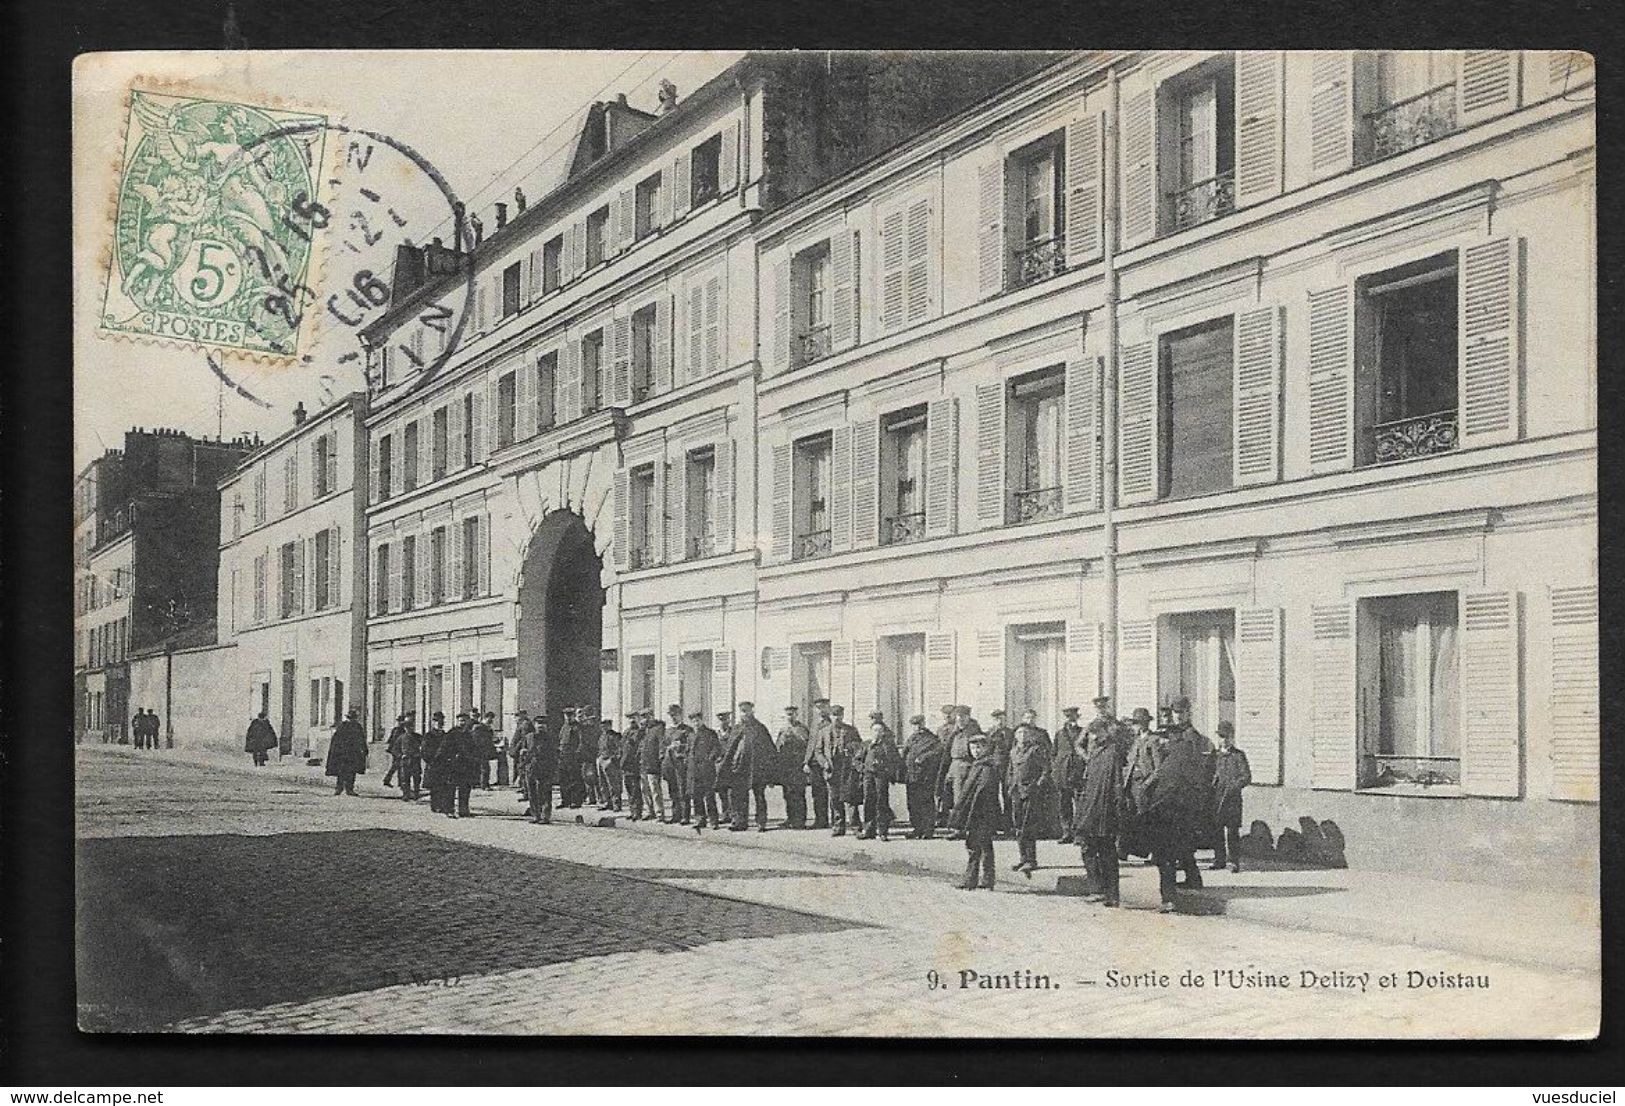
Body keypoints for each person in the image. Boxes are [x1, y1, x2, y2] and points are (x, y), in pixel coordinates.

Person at [1141, 697, 1209, 912]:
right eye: (1175, 712)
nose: (1178, 716)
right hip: (1167, 803)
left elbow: (1199, 773)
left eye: (1181, 712)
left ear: (1189, 712)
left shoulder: (1194, 741)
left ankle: (1171, 896)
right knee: (1174, 849)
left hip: (1182, 803)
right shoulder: (1171, 742)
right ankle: (1180, 888)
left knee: (1173, 850)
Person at [1073, 716, 1126, 907]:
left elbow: (1117, 782)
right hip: (1091, 808)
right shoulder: (1094, 753)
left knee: (1107, 853)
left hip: (1105, 809)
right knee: (1087, 848)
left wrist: (1118, 807)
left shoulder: (1112, 752)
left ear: (1105, 732)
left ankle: (1111, 894)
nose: (1093, 737)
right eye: (1092, 734)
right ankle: (1097, 888)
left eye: (1096, 733)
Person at [948, 731, 1001, 891]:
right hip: (980, 813)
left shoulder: (986, 767)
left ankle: (972, 880)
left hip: (981, 813)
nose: (976, 751)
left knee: (974, 845)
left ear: (985, 748)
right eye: (973, 748)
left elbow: (981, 792)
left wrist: (966, 812)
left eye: (979, 747)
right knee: (984, 846)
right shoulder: (979, 765)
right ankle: (986, 880)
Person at [1008, 713, 1060, 874]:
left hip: (1030, 792)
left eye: (1025, 733)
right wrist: (1010, 785)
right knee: (1018, 826)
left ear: (1030, 736)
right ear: (1016, 736)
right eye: (1019, 733)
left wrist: (1036, 786)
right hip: (1017, 792)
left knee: (1028, 826)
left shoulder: (1035, 750)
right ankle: (1023, 858)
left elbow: (1046, 770)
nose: (1022, 736)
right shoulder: (1013, 752)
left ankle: (1031, 859)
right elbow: (1010, 770)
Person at [1210, 721, 1252, 872]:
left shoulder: (1238, 755)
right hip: (1217, 797)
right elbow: (1209, 774)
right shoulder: (1215, 756)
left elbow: (1246, 776)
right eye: (1221, 737)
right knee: (1217, 830)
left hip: (1233, 799)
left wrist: (1234, 786)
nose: (1224, 740)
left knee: (1232, 831)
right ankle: (1219, 860)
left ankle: (1234, 861)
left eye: (1227, 737)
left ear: (1231, 737)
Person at [1119, 707, 1160, 861]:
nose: (1137, 726)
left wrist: (1146, 784)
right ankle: (1128, 850)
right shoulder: (1135, 741)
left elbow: (1158, 769)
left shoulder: (1153, 741)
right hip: (1131, 784)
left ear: (1146, 723)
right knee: (1130, 817)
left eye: (1140, 722)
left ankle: (1155, 853)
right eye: (1136, 723)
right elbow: (1129, 761)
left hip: (1144, 786)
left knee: (1147, 819)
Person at [729, 701, 776, 832]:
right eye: (742, 711)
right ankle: (739, 821)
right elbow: (730, 749)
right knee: (739, 795)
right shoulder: (737, 728)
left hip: (757, 768)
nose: (744, 713)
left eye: (747, 711)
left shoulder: (760, 728)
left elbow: (769, 749)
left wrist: (769, 771)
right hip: (740, 767)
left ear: (752, 711)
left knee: (759, 795)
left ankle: (761, 822)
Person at [857, 713, 900, 841]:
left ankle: (883, 831)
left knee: (882, 802)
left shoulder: (888, 746)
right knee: (868, 801)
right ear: (871, 732)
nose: (877, 733)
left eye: (879, 731)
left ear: (883, 732)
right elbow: (857, 759)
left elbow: (895, 760)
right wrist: (862, 769)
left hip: (881, 777)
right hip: (868, 776)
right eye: (875, 730)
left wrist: (888, 772)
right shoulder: (866, 745)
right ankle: (869, 830)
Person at [901, 714, 944, 839]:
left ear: (923, 723)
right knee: (912, 803)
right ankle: (917, 828)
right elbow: (905, 753)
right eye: (914, 725)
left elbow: (938, 752)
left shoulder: (931, 738)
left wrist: (924, 757)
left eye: (919, 724)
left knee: (925, 802)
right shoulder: (911, 738)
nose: (917, 727)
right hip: (912, 776)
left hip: (925, 776)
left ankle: (928, 830)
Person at [687, 710, 722, 828]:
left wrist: (710, 758)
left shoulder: (710, 733)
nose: (696, 723)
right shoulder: (690, 735)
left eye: (697, 720)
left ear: (702, 720)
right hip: (693, 769)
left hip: (706, 769)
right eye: (693, 721)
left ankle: (713, 820)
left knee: (709, 795)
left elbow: (717, 748)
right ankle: (700, 819)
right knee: (696, 796)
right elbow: (688, 750)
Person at [776, 706, 810, 830]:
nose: (790, 717)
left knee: (799, 793)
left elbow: (807, 746)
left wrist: (806, 763)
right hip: (786, 766)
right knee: (787, 793)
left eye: (792, 714)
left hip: (798, 766)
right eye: (788, 714)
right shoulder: (783, 729)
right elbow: (778, 747)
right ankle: (790, 818)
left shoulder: (802, 729)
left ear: (797, 714)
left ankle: (800, 820)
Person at [944, 704, 981, 816]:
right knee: (950, 795)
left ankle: (960, 827)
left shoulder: (972, 732)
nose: (959, 720)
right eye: (957, 717)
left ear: (968, 718)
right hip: (953, 766)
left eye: (963, 717)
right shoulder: (955, 732)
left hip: (965, 766)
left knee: (960, 796)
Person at [1053, 706, 1083, 844]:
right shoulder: (1060, 734)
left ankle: (1079, 834)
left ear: (1077, 717)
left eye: (1074, 717)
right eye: (1069, 717)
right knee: (1064, 803)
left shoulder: (1082, 732)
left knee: (1079, 803)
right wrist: (1056, 771)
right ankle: (1066, 832)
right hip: (1063, 772)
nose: (1071, 720)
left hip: (1078, 771)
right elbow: (1054, 753)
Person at [524, 712, 559, 824]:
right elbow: (521, 750)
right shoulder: (529, 737)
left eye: (543, 724)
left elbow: (555, 754)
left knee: (545, 793)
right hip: (531, 768)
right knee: (532, 792)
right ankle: (535, 815)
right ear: (534, 724)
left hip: (545, 768)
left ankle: (545, 816)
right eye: (538, 723)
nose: (541, 726)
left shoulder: (550, 738)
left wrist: (553, 768)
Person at [804, 699, 833, 830]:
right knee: (817, 793)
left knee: (832, 793)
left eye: (823, 707)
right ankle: (820, 820)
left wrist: (827, 762)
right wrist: (806, 761)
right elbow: (810, 744)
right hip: (814, 763)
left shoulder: (831, 723)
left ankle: (835, 820)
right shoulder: (814, 724)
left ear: (828, 708)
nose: (821, 710)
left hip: (827, 763)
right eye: (818, 708)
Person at [985, 709, 1016, 832]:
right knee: (992, 794)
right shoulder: (990, 733)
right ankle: (994, 823)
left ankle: (1007, 824)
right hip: (994, 766)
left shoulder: (1011, 733)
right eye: (997, 719)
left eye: (1002, 719)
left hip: (1008, 766)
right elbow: (987, 749)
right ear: (993, 720)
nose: (1000, 721)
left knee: (1007, 794)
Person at [326, 708, 369, 797]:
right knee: (345, 772)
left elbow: (361, 740)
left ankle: (345, 789)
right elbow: (336, 741)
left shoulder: (353, 727)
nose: (352, 720)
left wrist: (364, 750)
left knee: (348, 772)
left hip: (349, 754)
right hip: (346, 754)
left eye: (353, 718)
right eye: (351, 718)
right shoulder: (346, 727)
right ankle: (342, 789)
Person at [662, 705, 693, 824]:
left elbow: (691, 745)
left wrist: (680, 746)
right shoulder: (668, 731)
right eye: (671, 715)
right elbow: (663, 745)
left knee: (683, 790)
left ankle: (685, 816)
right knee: (673, 790)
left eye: (675, 715)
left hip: (681, 764)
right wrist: (666, 750)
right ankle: (676, 815)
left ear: (681, 714)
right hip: (670, 764)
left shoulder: (687, 730)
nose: (673, 717)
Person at [639, 708, 667, 822]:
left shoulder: (658, 729)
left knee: (655, 790)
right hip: (643, 763)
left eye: (646, 716)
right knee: (644, 789)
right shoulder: (645, 731)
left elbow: (661, 744)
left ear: (651, 716)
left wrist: (661, 759)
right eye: (643, 717)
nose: (644, 719)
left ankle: (659, 813)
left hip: (653, 764)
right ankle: (649, 811)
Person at [934, 703, 960, 824]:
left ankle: (956, 818)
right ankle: (942, 816)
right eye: (945, 715)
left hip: (954, 761)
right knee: (942, 789)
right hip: (942, 762)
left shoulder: (958, 728)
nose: (947, 718)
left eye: (949, 715)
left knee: (957, 790)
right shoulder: (940, 729)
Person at [422, 711, 450, 814]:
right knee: (434, 786)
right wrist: (431, 760)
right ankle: (435, 805)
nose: (439, 724)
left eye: (441, 722)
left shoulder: (445, 735)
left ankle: (442, 805)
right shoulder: (429, 736)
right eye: (437, 722)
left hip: (444, 764)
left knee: (443, 785)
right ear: (433, 723)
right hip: (433, 764)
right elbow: (424, 751)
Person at [713, 710, 738, 823]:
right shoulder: (715, 734)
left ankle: (733, 815)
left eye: (726, 720)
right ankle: (725, 814)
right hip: (719, 766)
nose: (724, 722)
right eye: (721, 720)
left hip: (730, 765)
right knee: (722, 791)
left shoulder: (734, 732)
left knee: (731, 792)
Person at [556, 708, 584, 809]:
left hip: (572, 756)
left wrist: (577, 754)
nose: (568, 717)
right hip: (563, 755)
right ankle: (565, 800)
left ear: (573, 715)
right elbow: (560, 740)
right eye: (566, 715)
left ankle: (575, 801)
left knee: (574, 779)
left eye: (570, 715)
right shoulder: (564, 727)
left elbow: (581, 742)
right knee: (563, 779)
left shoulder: (577, 727)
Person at [620, 712, 645, 820]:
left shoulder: (640, 732)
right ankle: (632, 810)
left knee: (635, 789)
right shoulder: (626, 732)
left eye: (633, 718)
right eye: (630, 718)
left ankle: (637, 811)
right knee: (629, 788)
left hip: (634, 764)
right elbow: (622, 746)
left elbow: (637, 746)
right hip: (626, 764)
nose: (631, 720)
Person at [596, 716, 624, 812]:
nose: (604, 727)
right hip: (601, 760)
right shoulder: (602, 736)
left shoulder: (615, 736)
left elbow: (619, 749)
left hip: (610, 761)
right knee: (603, 784)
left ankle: (616, 804)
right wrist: (599, 758)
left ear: (610, 726)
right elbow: (600, 748)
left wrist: (613, 759)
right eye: (602, 726)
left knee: (613, 784)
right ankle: (607, 802)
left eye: (606, 725)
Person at [397, 712, 423, 800]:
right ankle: (406, 794)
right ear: (405, 728)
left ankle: (416, 793)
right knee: (405, 778)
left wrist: (420, 753)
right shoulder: (401, 737)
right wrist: (401, 755)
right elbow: (395, 749)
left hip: (415, 760)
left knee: (416, 778)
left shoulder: (418, 737)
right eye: (407, 727)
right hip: (405, 760)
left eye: (411, 727)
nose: (409, 729)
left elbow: (424, 746)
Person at [579, 709, 601, 807]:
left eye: (592, 720)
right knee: (586, 777)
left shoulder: (597, 730)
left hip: (593, 755)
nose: (590, 721)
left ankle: (599, 797)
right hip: (586, 756)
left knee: (595, 778)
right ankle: (591, 797)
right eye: (589, 719)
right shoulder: (584, 729)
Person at [472, 711, 496, 790]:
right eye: (490, 720)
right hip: (480, 751)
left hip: (484, 751)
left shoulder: (487, 728)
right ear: (485, 718)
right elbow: (477, 740)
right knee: (484, 768)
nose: (491, 722)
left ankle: (482, 784)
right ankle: (484, 785)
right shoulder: (478, 728)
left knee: (484, 768)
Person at [384, 714, 406, 788]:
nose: (401, 723)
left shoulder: (395, 729)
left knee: (397, 766)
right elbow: (395, 740)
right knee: (397, 766)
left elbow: (390, 740)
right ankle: (388, 780)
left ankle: (397, 782)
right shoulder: (400, 730)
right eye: (401, 721)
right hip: (397, 751)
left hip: (395, 750)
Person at [491, 713, 511, 788]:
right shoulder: (494, 731)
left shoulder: (504, 734)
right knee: (499, 766)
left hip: (501, 750)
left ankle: (503, 781)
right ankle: (501, 780)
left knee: (502, 766)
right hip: (499, 750)